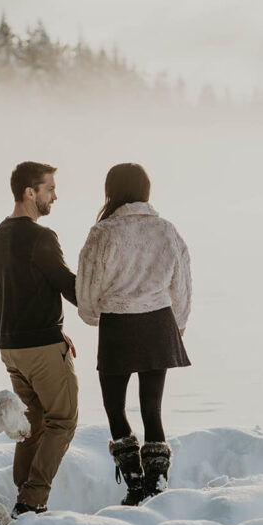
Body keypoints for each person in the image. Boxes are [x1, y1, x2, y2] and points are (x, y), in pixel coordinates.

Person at [77, 163, 191, 506]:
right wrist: (179, 322)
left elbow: (87, 288)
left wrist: (93, 316)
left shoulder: (103, 232)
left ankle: (135, 484)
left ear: (112, 191)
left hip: (118, 325)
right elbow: (182, 283)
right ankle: (156, 485)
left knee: (115, 409)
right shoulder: (167, 230)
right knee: (152, 410)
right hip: (158, 322)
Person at [0, 161, 79, 518]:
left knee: (36, 418)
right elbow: (69, 286)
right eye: (50, 188)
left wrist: (54, 328)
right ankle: (32, 500)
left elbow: (22, 291)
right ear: (30, 192)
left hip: (11, 347)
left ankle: (22, 490)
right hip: (41, 348)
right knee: (63, 420)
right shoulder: (42, 237)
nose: (55, 196)